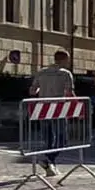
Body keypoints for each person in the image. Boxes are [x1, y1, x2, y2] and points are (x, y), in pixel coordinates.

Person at [29, 50, 75, 179]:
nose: (68, 62)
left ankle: (50, 167)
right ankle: (48, 159)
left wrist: (42, 90)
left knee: (48, 138)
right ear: (64, 59)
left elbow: (33, 91)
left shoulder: (41, 72)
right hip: (58, 109)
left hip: (43, 109)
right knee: (62, 139)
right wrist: (78, 105)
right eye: (68, 59)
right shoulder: (65, 74)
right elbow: (69, 93)